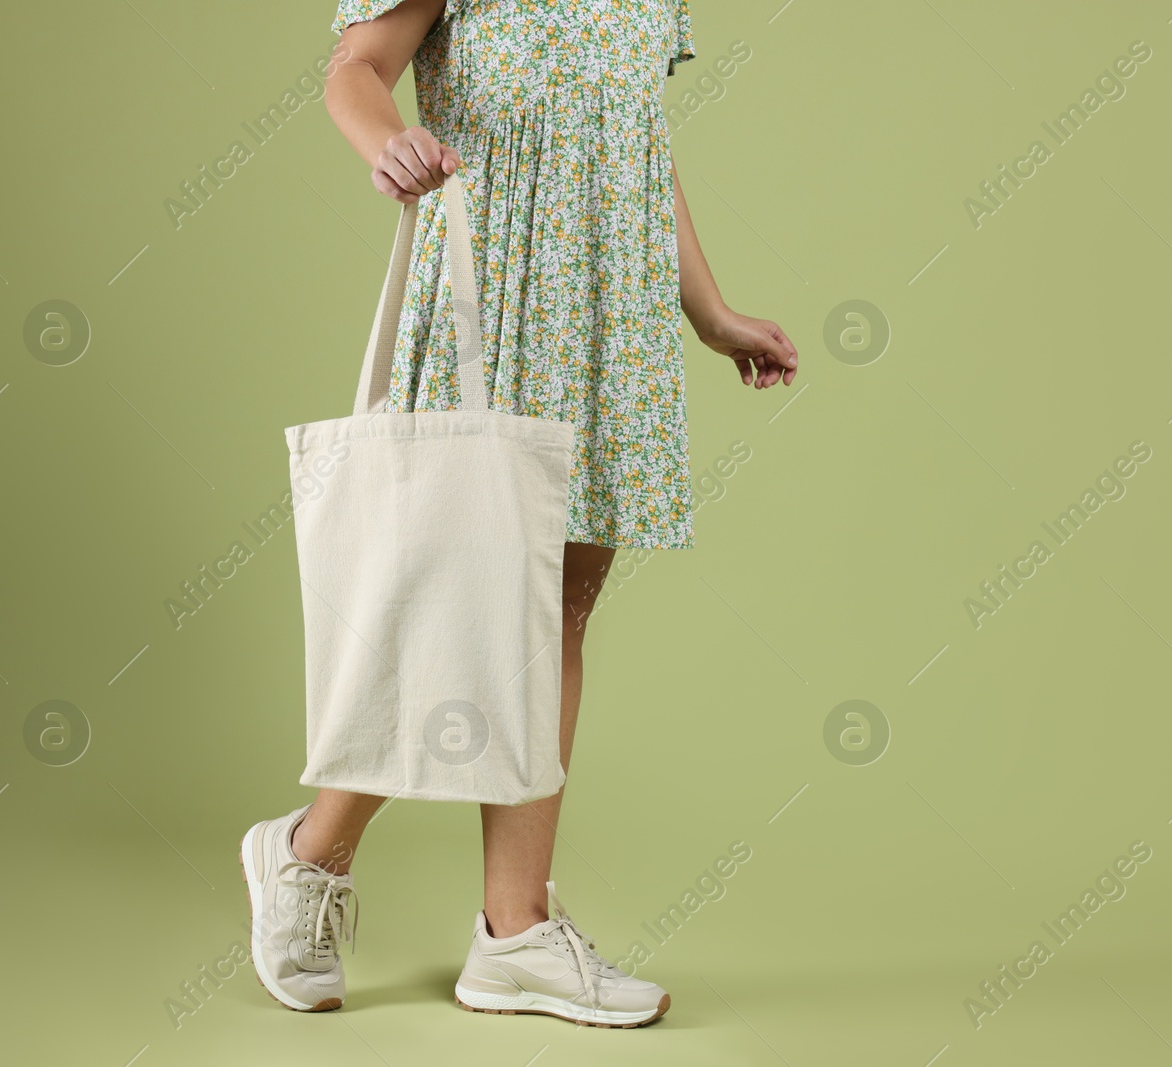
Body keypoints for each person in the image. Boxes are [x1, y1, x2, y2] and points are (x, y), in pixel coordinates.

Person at [240, 0, 798, 1028]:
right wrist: (389, 139)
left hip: (606, 303)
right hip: (487, 283)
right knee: (445, 604)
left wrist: (707, 310)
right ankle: (309, 853)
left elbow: (632, 145)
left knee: (554, 611)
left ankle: (515, 932)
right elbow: (356, 65)